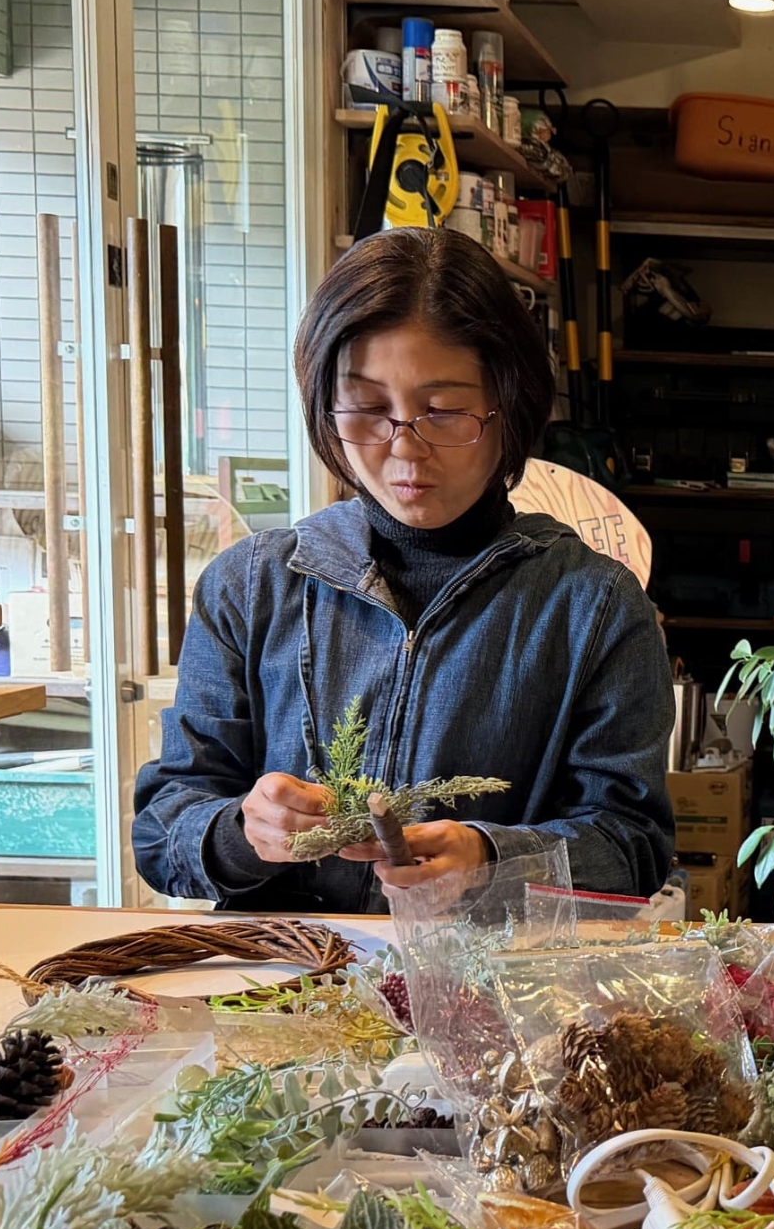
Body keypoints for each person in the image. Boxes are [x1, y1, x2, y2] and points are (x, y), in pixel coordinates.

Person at [134, 227, 676, 910]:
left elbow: (634, 845)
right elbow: (161, 832)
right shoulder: (251, 587)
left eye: (444, 411)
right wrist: (245, 832)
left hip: (491, 994)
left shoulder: (590, 606)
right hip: (283, 990)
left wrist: (489, 858)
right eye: (367, 409)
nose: (405, 450)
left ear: (509, 404)